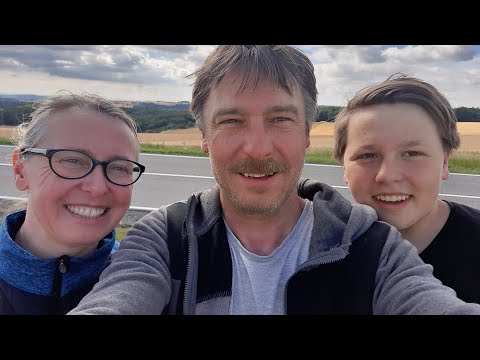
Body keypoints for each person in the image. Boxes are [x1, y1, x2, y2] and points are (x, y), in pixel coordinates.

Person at [70, 45, 480, 315]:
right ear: (203, 138)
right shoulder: (167, 237)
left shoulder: (371, 245)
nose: (258, 148)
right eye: (231, 121)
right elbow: (116, 301)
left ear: (306, 133)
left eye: (280, 119)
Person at [333, 73, 480, 303]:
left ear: (444, 162)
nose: (388, 175)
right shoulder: (324, 251)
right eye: (368, 155)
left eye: (412, 154)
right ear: (344, 167)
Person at [0, 92, 146, 314]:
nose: (97, 187)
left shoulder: (147, 285)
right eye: (72, 160)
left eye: (119, 167)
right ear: (20, 170)